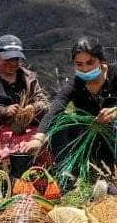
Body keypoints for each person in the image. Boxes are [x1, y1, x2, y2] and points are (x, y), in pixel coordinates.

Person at [21, 37, 117, 176]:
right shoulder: (75, 85)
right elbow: (55, 109)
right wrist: (38, 139)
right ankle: (67, 173)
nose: (85, 69)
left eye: (90, 63)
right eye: (79, 64)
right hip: (91, 134)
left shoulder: (114, 75)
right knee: (61, 125)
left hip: (113, 133)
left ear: (102, 61)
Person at [0, 34, 49, 152]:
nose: (13, 63)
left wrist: (33, 107)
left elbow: (44, 104)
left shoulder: (28, 78)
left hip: (26, 131)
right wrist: (4, 111)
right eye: (8, 59)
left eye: (16, 59)